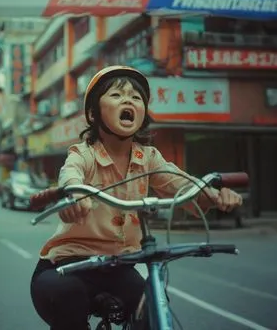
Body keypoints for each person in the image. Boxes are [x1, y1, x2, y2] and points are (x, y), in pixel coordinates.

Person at [30, 66, 243, 330]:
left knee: (154, 303)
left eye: (136, 97)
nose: (128, 100)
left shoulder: (149, 158)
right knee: (68, 294)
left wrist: (214, 195)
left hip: (119, 267)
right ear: (93, 113)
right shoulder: (84, 154)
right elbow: (70, 174)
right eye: (117, 95)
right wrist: (73, 192)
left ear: (142, 114)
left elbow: (183, 186)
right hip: (67, 264)